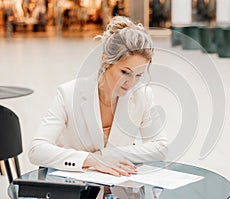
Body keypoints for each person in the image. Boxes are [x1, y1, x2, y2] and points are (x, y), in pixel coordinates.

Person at [29, 16, 168, 179]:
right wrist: (90, 160)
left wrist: (108, 154)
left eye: (139, 75)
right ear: (105, 61)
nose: (130, 83)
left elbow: (161, 148)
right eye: (125, 72)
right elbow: (37, 150)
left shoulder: (142, 95)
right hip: (73, 187)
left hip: (118, 188)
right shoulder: (69, 94)